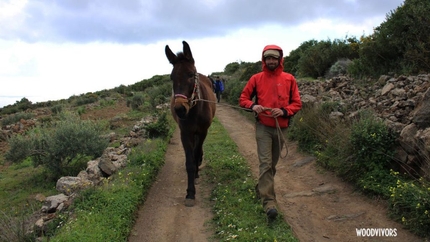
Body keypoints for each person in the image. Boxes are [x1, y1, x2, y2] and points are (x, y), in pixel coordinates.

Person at [239, 44, 302, 221]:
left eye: (274, 58)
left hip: (281, 128)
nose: (271, 61)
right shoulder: (256, 78)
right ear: (264, 60)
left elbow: (297, 103)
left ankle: (261, 187)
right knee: (265, 164)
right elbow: (243, 98)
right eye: (268, 58)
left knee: (272, 165)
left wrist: (283, 111)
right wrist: (253, 106)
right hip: (263, 127)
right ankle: (269, 204)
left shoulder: (289, 79)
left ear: (280, 59)